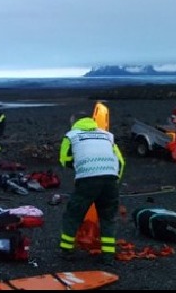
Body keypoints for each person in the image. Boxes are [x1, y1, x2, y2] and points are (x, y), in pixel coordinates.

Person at [58, 112, 125, 265]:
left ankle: (67, 251)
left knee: (73, 214)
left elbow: (64, 159)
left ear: (73, 121)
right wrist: (115, 180)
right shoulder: (107, 135)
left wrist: (80, 164)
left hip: (87, 179)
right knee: (108, 218)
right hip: (110, 179)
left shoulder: (71, 135)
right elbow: (120, 161)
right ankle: (108, 256)